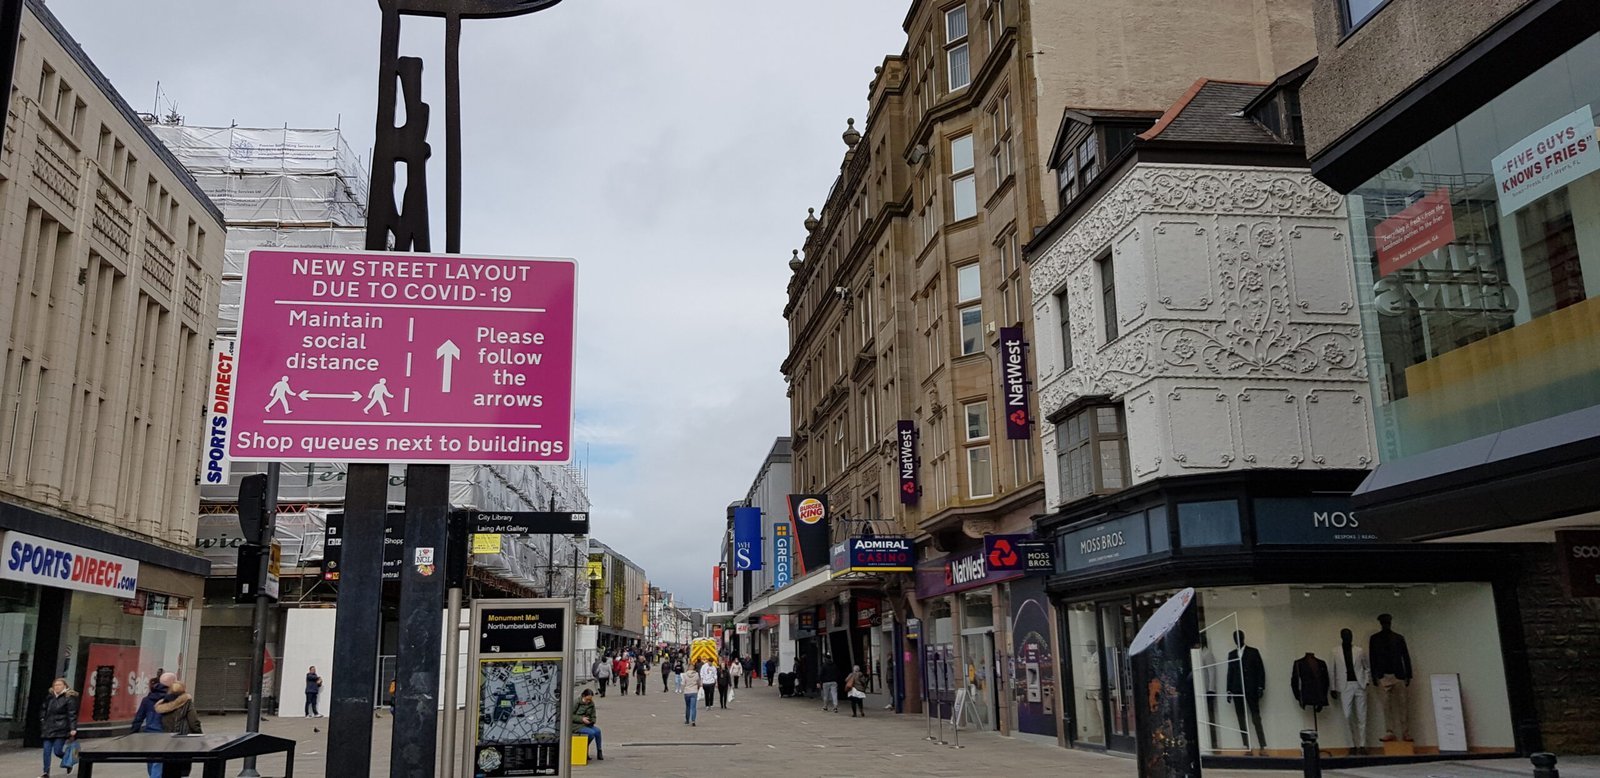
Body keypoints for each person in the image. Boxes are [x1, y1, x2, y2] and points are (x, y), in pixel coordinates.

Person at [155, 681, 202, 777]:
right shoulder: (186, 702)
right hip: (183, 739)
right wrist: (199, 734)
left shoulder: (163, 703)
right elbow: (193, 721)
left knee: (168, 767)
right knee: (182, 765)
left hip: (167, 739)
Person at [40, 677, 77, 778]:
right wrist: (42, 719)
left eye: (59, 685)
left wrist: (73, 728)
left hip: (61, 728)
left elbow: (72, 714)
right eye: (55, 685)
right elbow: (44, 708)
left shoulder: (69, 698)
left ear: (65, 686)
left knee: (57, 751)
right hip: (48, 727)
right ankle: (46, 772)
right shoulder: (50, 697)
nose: (57, 687)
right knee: (46, 751)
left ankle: (68, 760)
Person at [132, 677, 168, 777]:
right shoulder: (169, 700)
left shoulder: (147, 700)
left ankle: (152, 775)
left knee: (151, 758)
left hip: (149, 733)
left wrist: (133, 732)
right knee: (159, 759)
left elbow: (139, 717)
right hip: (164, 733)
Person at [571, 689, 603, 761]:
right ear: (583, 696)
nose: (588, 701)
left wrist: (592, 721)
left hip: (587, 724)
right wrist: (581, 719)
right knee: (591, 733)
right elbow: (570, 715)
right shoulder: (576, 702)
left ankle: (599, 750)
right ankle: (585, 750)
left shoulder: (591, 703)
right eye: (587, 699)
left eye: (590, 699)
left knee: (597, 731)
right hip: (576, 725)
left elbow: (593, 714)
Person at [682, 659, 703, 726]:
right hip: (694, 692)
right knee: (693, 707)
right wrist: (698, 687)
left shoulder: (685, 675)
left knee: (687, 706)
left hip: (687, 692)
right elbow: (699, 683)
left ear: (688, 667)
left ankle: (687, 720)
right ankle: (693, 720)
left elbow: (683, 683)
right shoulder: (696, 674)